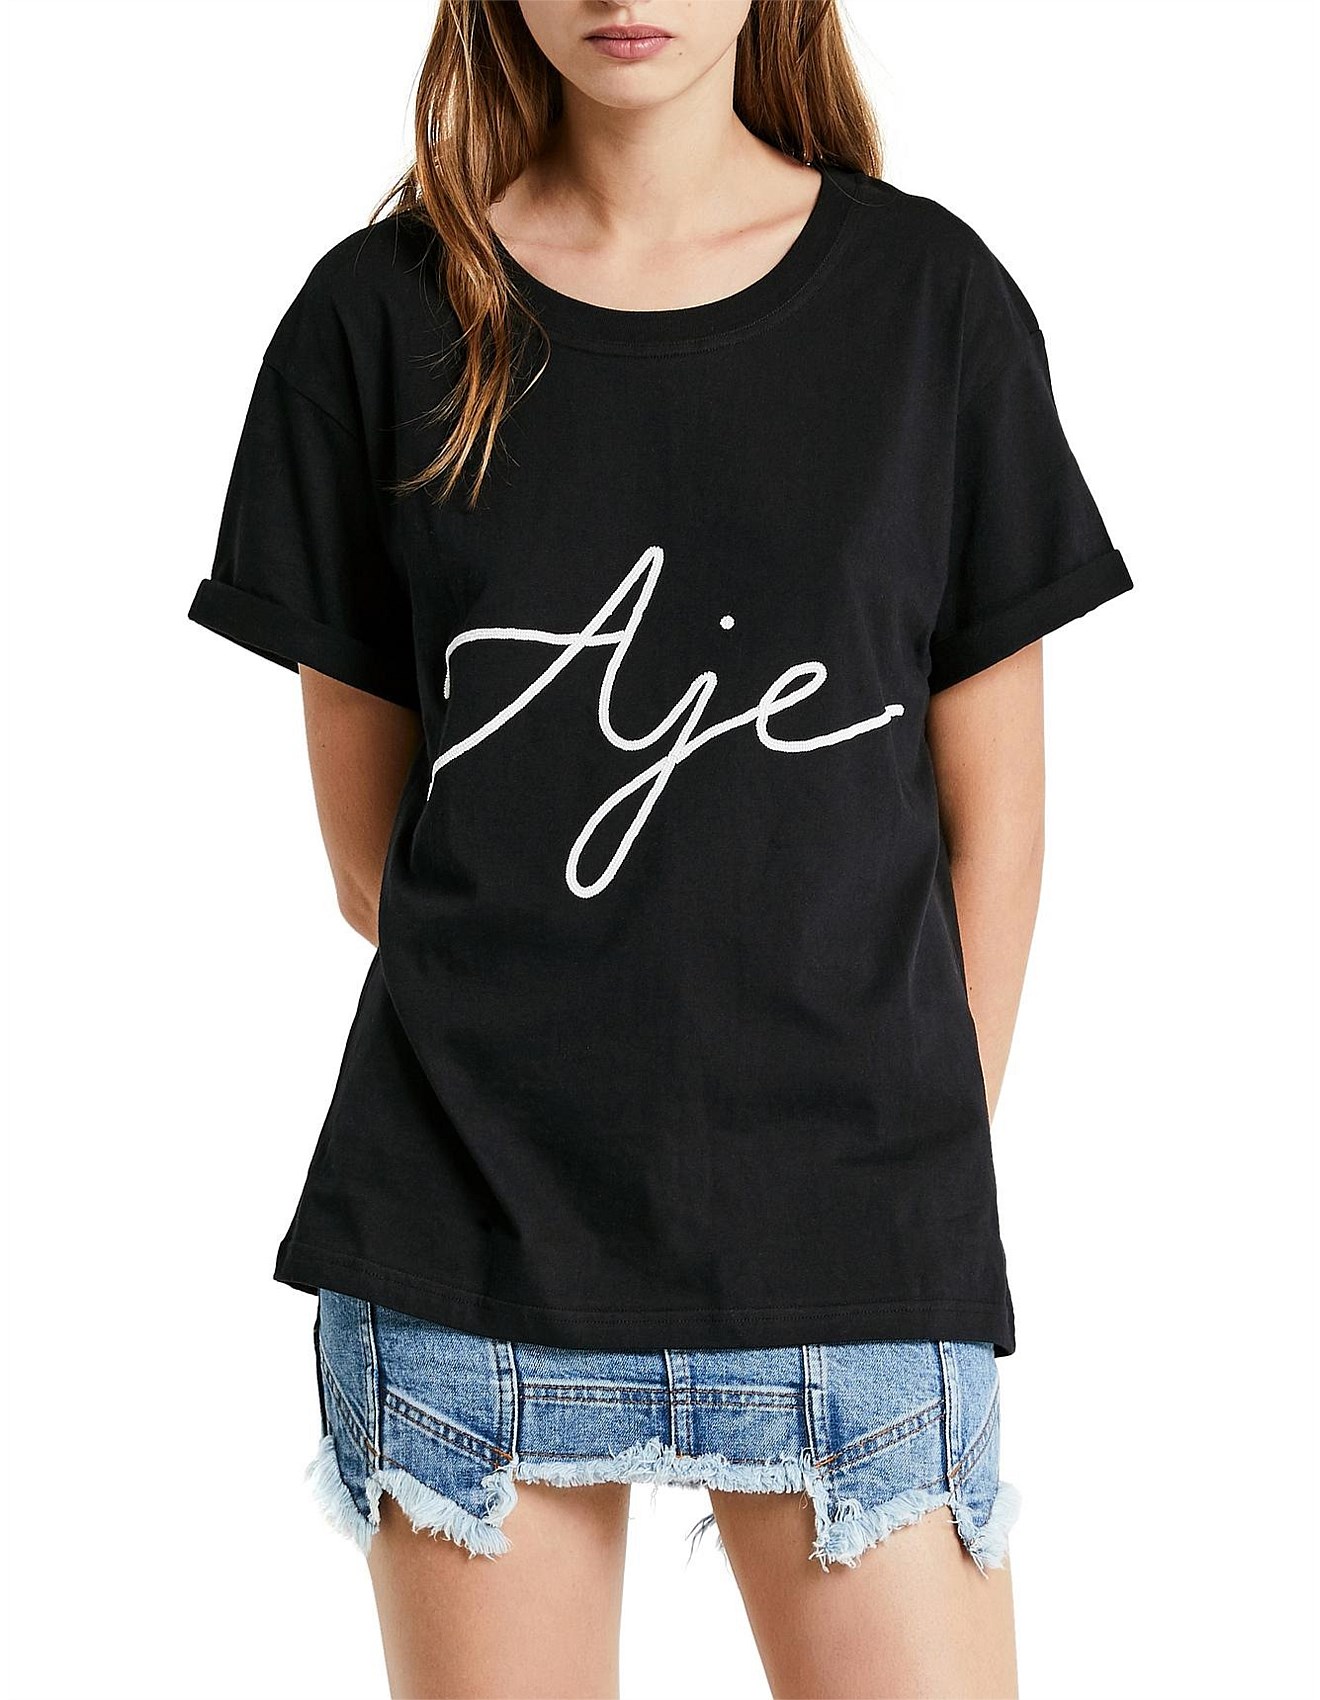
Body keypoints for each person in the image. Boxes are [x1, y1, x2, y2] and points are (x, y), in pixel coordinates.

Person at [187, 2, 1133, 1695]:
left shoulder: (931, 307)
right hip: (467, 1254)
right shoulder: (379, 318)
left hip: (857, 1256)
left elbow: (997, 830)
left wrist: (899, 1174)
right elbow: (375, 862)